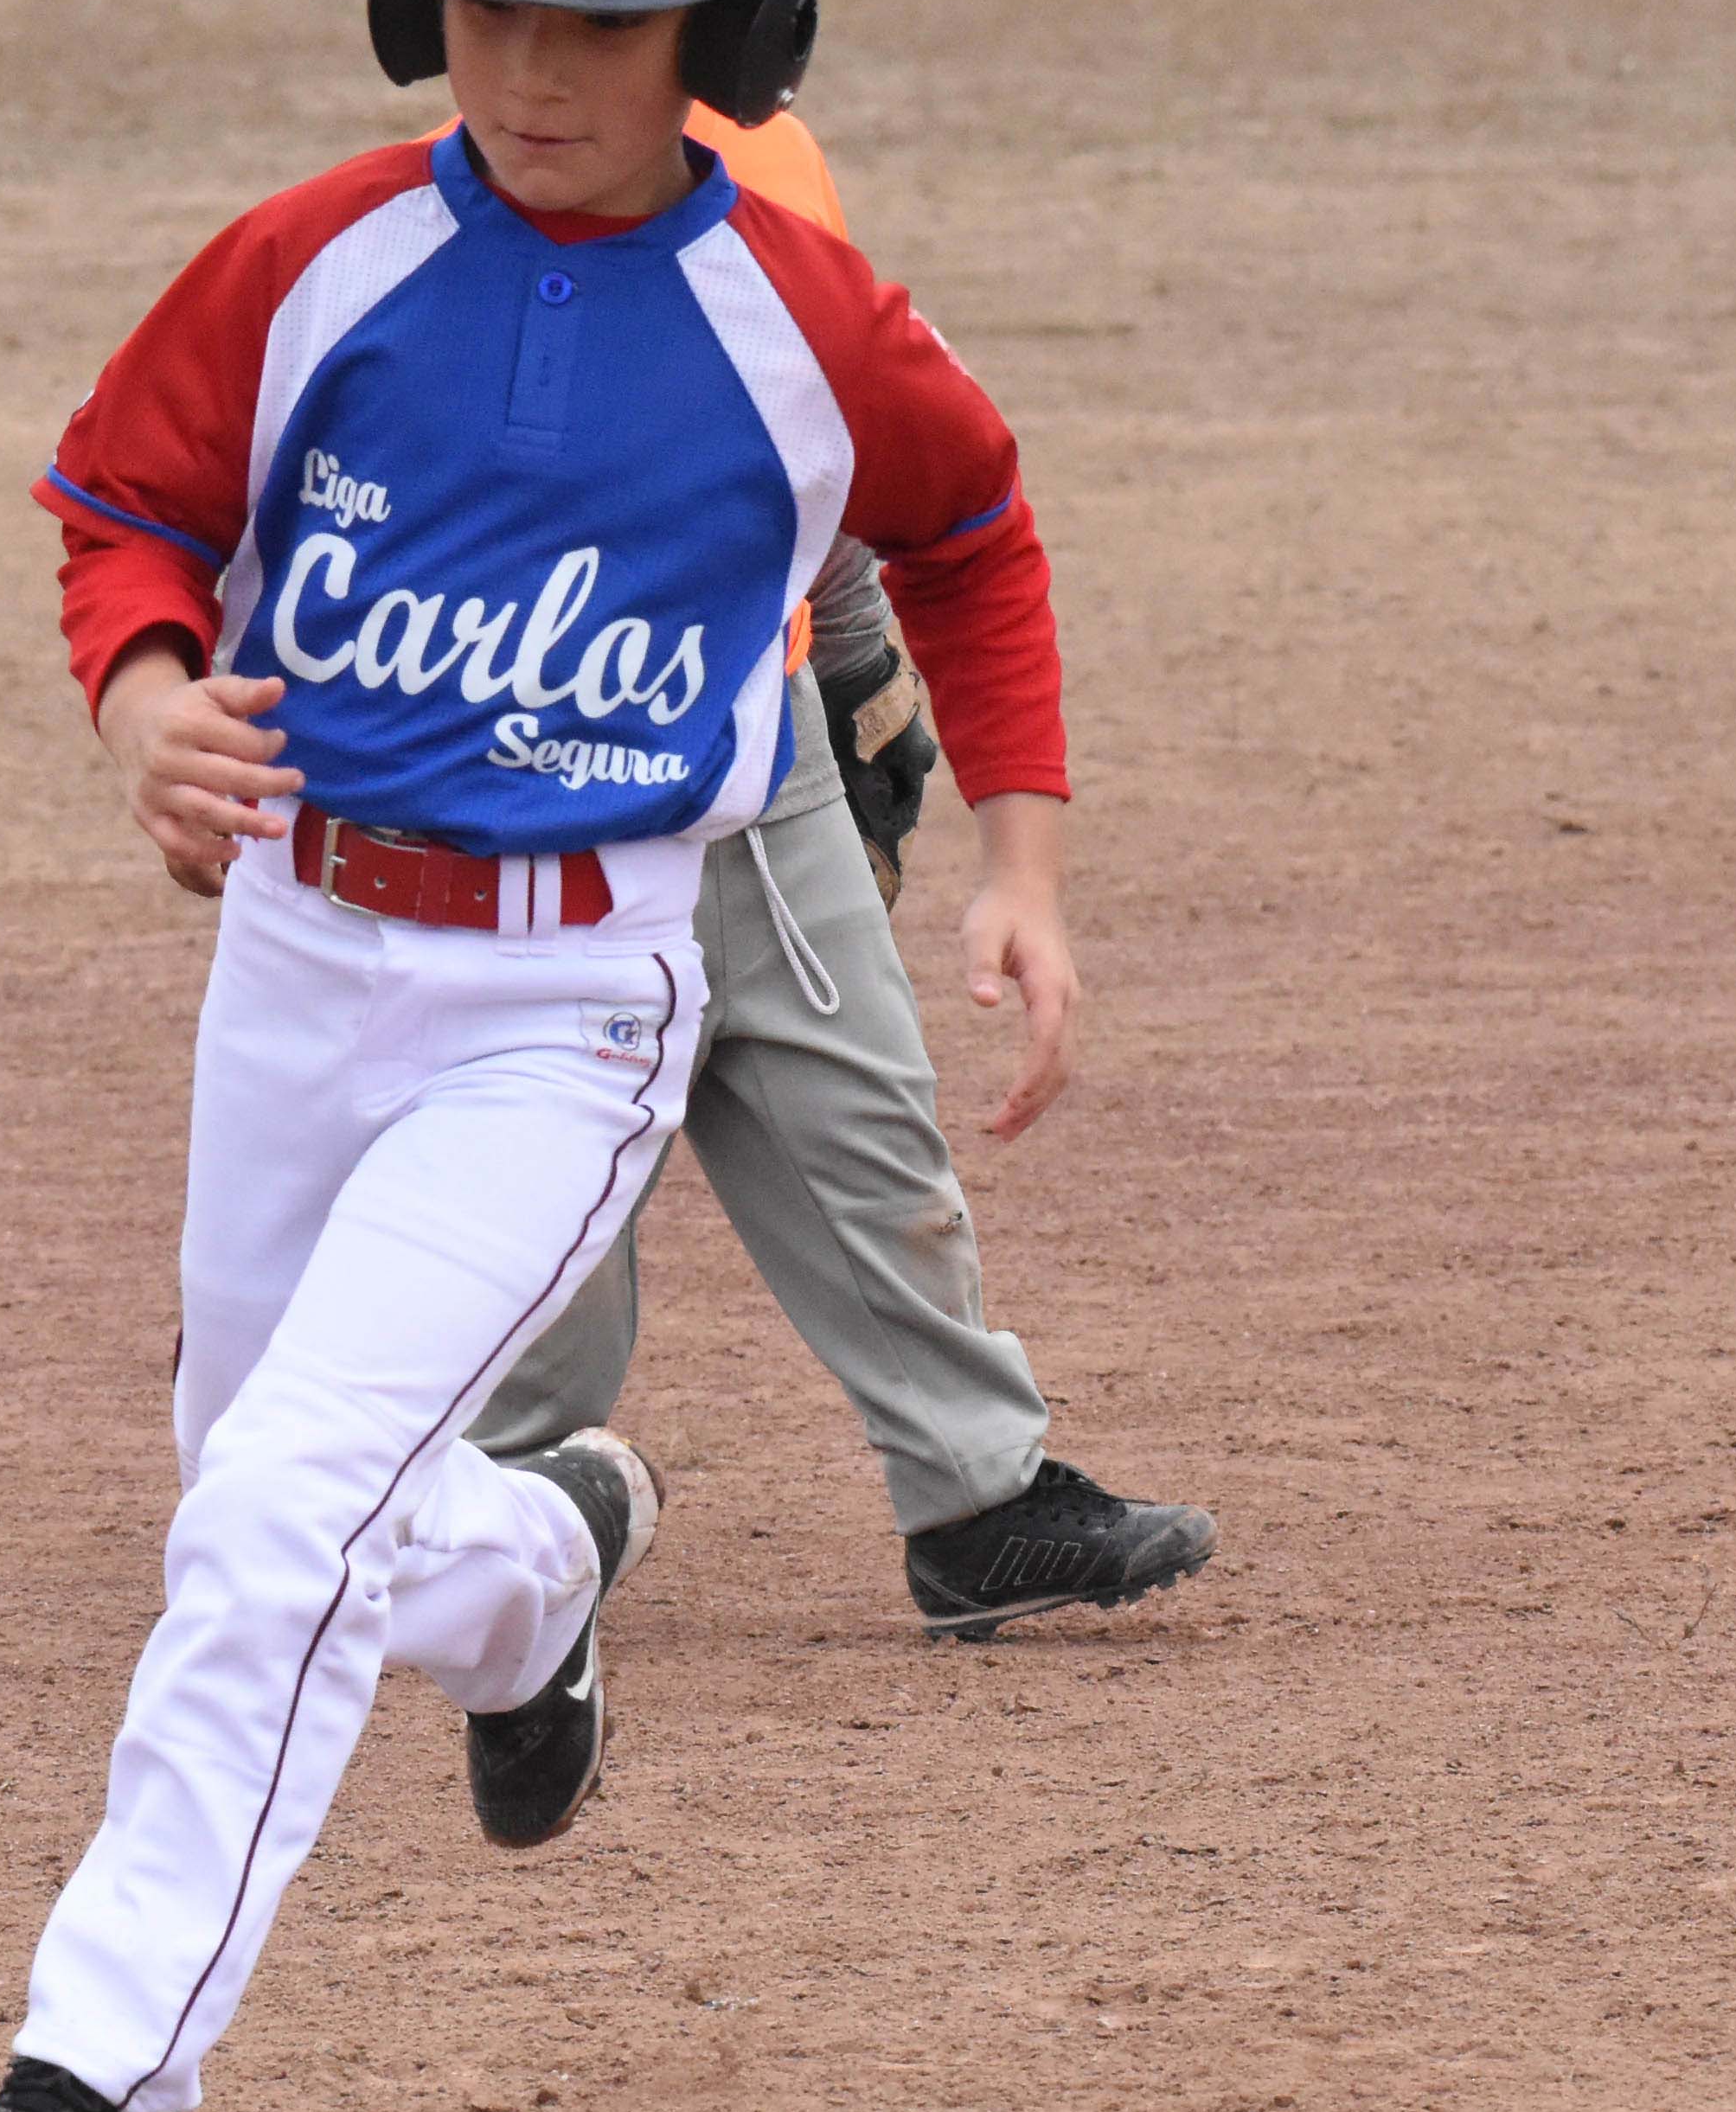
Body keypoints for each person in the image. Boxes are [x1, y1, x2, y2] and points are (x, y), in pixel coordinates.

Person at [0, 0, 1085, 2112]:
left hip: (565, 1006)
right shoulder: (317, 261)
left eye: (596, 6)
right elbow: (120, 491)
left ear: (734, 22)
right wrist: (138, 700)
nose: (526, 60)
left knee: (264, 1543)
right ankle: (544, 1580)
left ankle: (91, 2085)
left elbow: (973, 522)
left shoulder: (802, 321)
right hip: (300, 961)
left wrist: (1017, 855)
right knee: (275, 1505)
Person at [468, 98, 1216, 1642]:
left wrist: (870, 666)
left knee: (863, 1121)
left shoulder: (769, 148)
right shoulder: (505, 166)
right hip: (545, 775)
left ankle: (977, 1500)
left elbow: (842, 436)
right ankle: (489, 1507)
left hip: (767, 732)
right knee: (557, 1212)